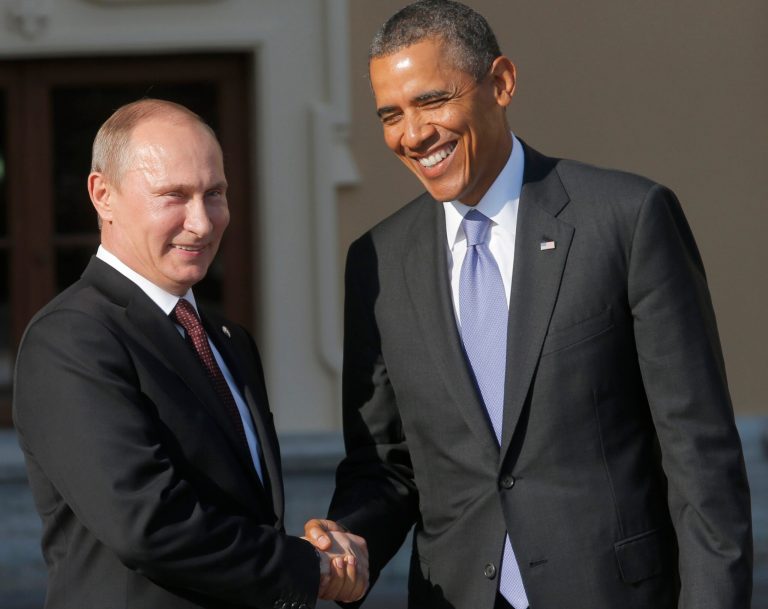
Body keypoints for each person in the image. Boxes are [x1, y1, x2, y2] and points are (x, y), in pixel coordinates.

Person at [304, 2, 752, 608]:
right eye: (391, 114)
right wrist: (349, 542)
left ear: (501, 82)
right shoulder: (378, 261)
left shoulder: (626, 220)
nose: (412, 134)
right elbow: (387, 464)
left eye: (432, 101)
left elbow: (699, 455)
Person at [13, 99, 367, 609]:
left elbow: (245, 509)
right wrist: (308, 567)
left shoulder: (226, 339)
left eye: (215, 194)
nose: (201, 222)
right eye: (173, 196)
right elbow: (148, 523)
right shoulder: (71, 338)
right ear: (103, 195)